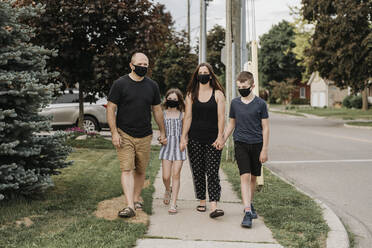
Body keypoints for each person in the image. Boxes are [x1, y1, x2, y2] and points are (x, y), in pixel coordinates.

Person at [106, 52, 167, 218]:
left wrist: (162, 132)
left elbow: (157, 110)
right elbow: (111, 108)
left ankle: (136, 197)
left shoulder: (152, 86)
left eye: (146, 65)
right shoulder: (120, 84)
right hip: (124, 133)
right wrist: (114, 133)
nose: (143, 67)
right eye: (140, 64)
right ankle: (130, 205)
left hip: (145, 134)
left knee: (140, 170)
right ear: (131, 65)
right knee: (127, 169)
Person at [223, 71, 269, 228]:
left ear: (252, 86)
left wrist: (264, 150)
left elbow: (266, 128)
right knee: (245, 176)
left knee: (253, 178)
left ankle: (250, 202)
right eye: (239, 87)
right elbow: (231, 124)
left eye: (244, 87)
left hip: (257, 144)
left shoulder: (261, 104)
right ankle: (247, 211)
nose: (242, 89)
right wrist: (222, 139)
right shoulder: (235, 103)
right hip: (240, 143)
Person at [180, 63, 226, 219]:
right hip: (195, 138)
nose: (203, 75)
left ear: (211, 76)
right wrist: (183, 137)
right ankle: (202, 200)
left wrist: (221, 136)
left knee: (212, 172)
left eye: (206, 73)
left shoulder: (218, 94)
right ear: (197, 76)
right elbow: (188, 117)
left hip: (213, 139)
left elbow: (221, 118)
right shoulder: (191, 94)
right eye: (201, 73)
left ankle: (214, 205)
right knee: (198, 172)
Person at [159, 88, 187, 214]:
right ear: (166, 99)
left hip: (178, 147)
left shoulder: (183, 114)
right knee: (166, 176)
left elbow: (185, 132)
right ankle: (167, 189)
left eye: (175, 99)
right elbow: (161, 133)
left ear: (179, 100)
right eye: (170, 99)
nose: (172, 101)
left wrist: (184, 141)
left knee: (176, 174)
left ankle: (174, 203)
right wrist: (161, 139)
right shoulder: (163, 114)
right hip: (166, 147)